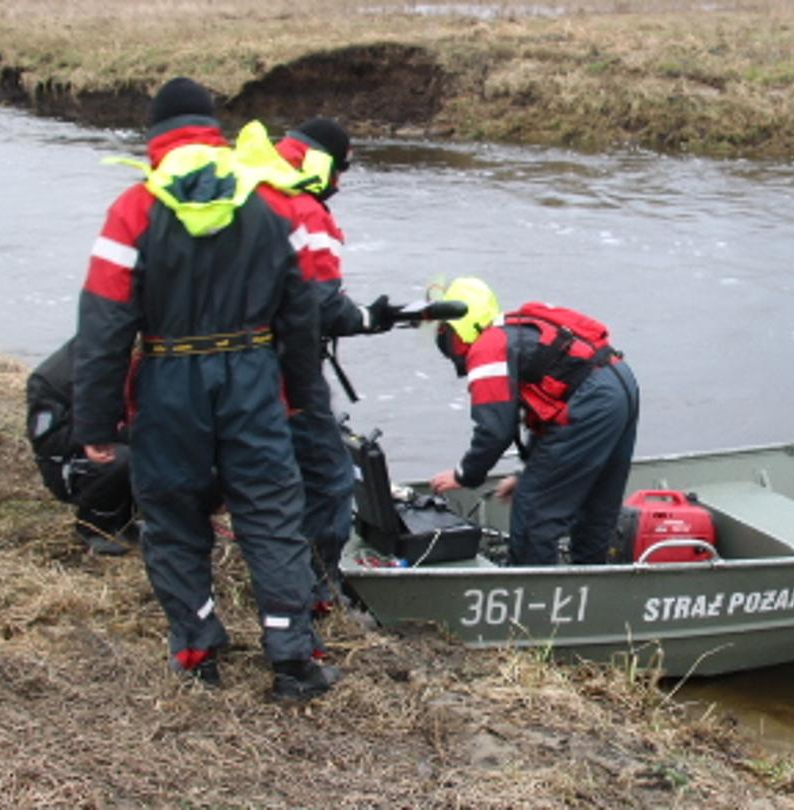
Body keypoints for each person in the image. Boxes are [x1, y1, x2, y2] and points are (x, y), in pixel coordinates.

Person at [71, 77, 339, 702]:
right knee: (272, 516)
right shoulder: (269, 204)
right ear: (214, 132)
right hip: (252, 376)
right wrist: (302, 399)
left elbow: (104, 321)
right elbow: (301, 317)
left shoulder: (133, 208)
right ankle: (292, 659)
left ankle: (196, 648)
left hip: (168, 377)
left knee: (173, 515)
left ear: (156, 139)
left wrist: (95, 422)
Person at [269, 118, 397, 612]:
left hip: (223, 364)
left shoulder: (253, 190)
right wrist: (368, 317)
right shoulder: (306, 211)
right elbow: (320, 303)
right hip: (282, 371)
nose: (341, 184)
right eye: (340, 170)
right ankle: (316, 590)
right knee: (330, 477)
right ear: (321, 163)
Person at [427, 278, 640, 566]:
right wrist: (528, 474)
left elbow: (495, 430)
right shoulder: (514, 333)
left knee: (533, 511)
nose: (440, 335)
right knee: (596, 508)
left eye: (443, 328)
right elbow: (548, 409)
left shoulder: (487, 347)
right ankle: (591, 588)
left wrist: (465, 475)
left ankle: (531, 600)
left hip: (594, 400)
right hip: (619, 384)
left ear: (460, 329)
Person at [25, 338, 136, 556]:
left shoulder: (136, 359)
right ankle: (96, 527)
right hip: (68, 462)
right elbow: (48, 440)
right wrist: (107, 433)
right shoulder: (52, 378)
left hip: (123, 442)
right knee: (120, 459)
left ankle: (141, 516)